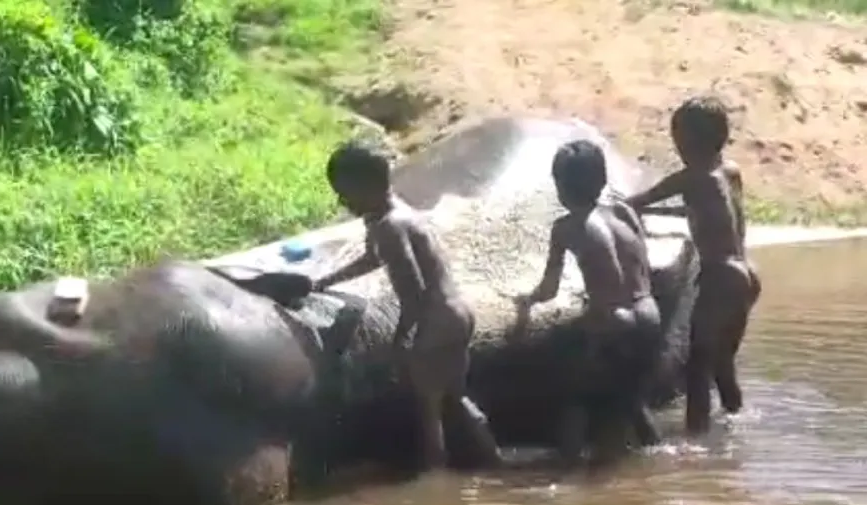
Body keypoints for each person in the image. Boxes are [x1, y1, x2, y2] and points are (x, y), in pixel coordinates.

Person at [312, 141, 503, 472]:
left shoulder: (387, 228)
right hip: (458, 313)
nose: (342, 202)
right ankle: (494, 462)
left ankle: (434, 487)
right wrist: (327, 281)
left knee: (428, 412)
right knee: (455, 398)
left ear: (365, 187)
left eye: (345, 193)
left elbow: (412, 291)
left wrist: (402, 339)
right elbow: (374, 258)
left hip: (435, 322)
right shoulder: (399, 214)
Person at [514, 139, 663, 464]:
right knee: (631, 397)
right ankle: (659, 459)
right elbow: (639, 265)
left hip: (612, 320)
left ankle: (566, 469)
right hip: (649, 312)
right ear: (602, 179)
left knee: (577, 397)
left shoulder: (565, 227)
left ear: (560, 187)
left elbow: (549, 289)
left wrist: (526, 301)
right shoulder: (624, 211)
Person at [624, 95, 762, 435]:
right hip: (746, 273)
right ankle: (734, 417)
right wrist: (666, 213)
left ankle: (695, 442)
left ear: (686, 141)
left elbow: (635, 202)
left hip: (719, 277)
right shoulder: (729, 172)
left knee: (697, 366)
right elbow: (709, 211)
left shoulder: (689, 178)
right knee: (723, 364)